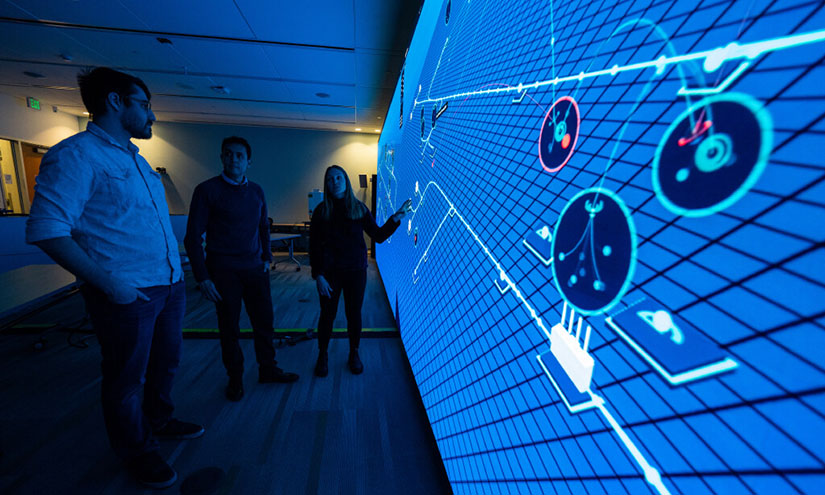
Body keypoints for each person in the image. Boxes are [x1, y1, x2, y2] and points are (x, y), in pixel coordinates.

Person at [25, 67, 202, 489]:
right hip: (127, 293)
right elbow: (48, 230)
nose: (152, 116)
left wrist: (178, 270)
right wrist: (111, 285)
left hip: (170, 284)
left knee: (166, 364)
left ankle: (159, 420)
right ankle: (137, 451)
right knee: (125, 380)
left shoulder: (137, 162)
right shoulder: (76, 156)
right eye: (144, 105)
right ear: (115, 102)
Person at [184, 136, 299, 403]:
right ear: (222, 158)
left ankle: (267, 369)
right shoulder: (207, 190)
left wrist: (267, 257)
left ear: (249, 161)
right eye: (228, 154)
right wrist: (202, 277)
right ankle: (235, 379)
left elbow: (263, 227)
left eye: (239, 155)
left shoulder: (256, 191)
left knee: (264, 323)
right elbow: (192, 238)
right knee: (229, 328)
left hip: (255, 269)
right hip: (223, 272)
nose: (233, 159)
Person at [309, 165, 411, 377]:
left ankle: (354, 353)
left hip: (356, 271)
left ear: (345, 181)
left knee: (353, 314)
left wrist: (395, 219)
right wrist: (318, 275)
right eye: (330, 179)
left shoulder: (359, 209)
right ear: (326, 184)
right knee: (327, 315)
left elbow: (379, 236)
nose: (334, 182)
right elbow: (314, 247)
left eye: (338, 178)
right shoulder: (321, 212)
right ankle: (322, 354)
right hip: (329, 274)